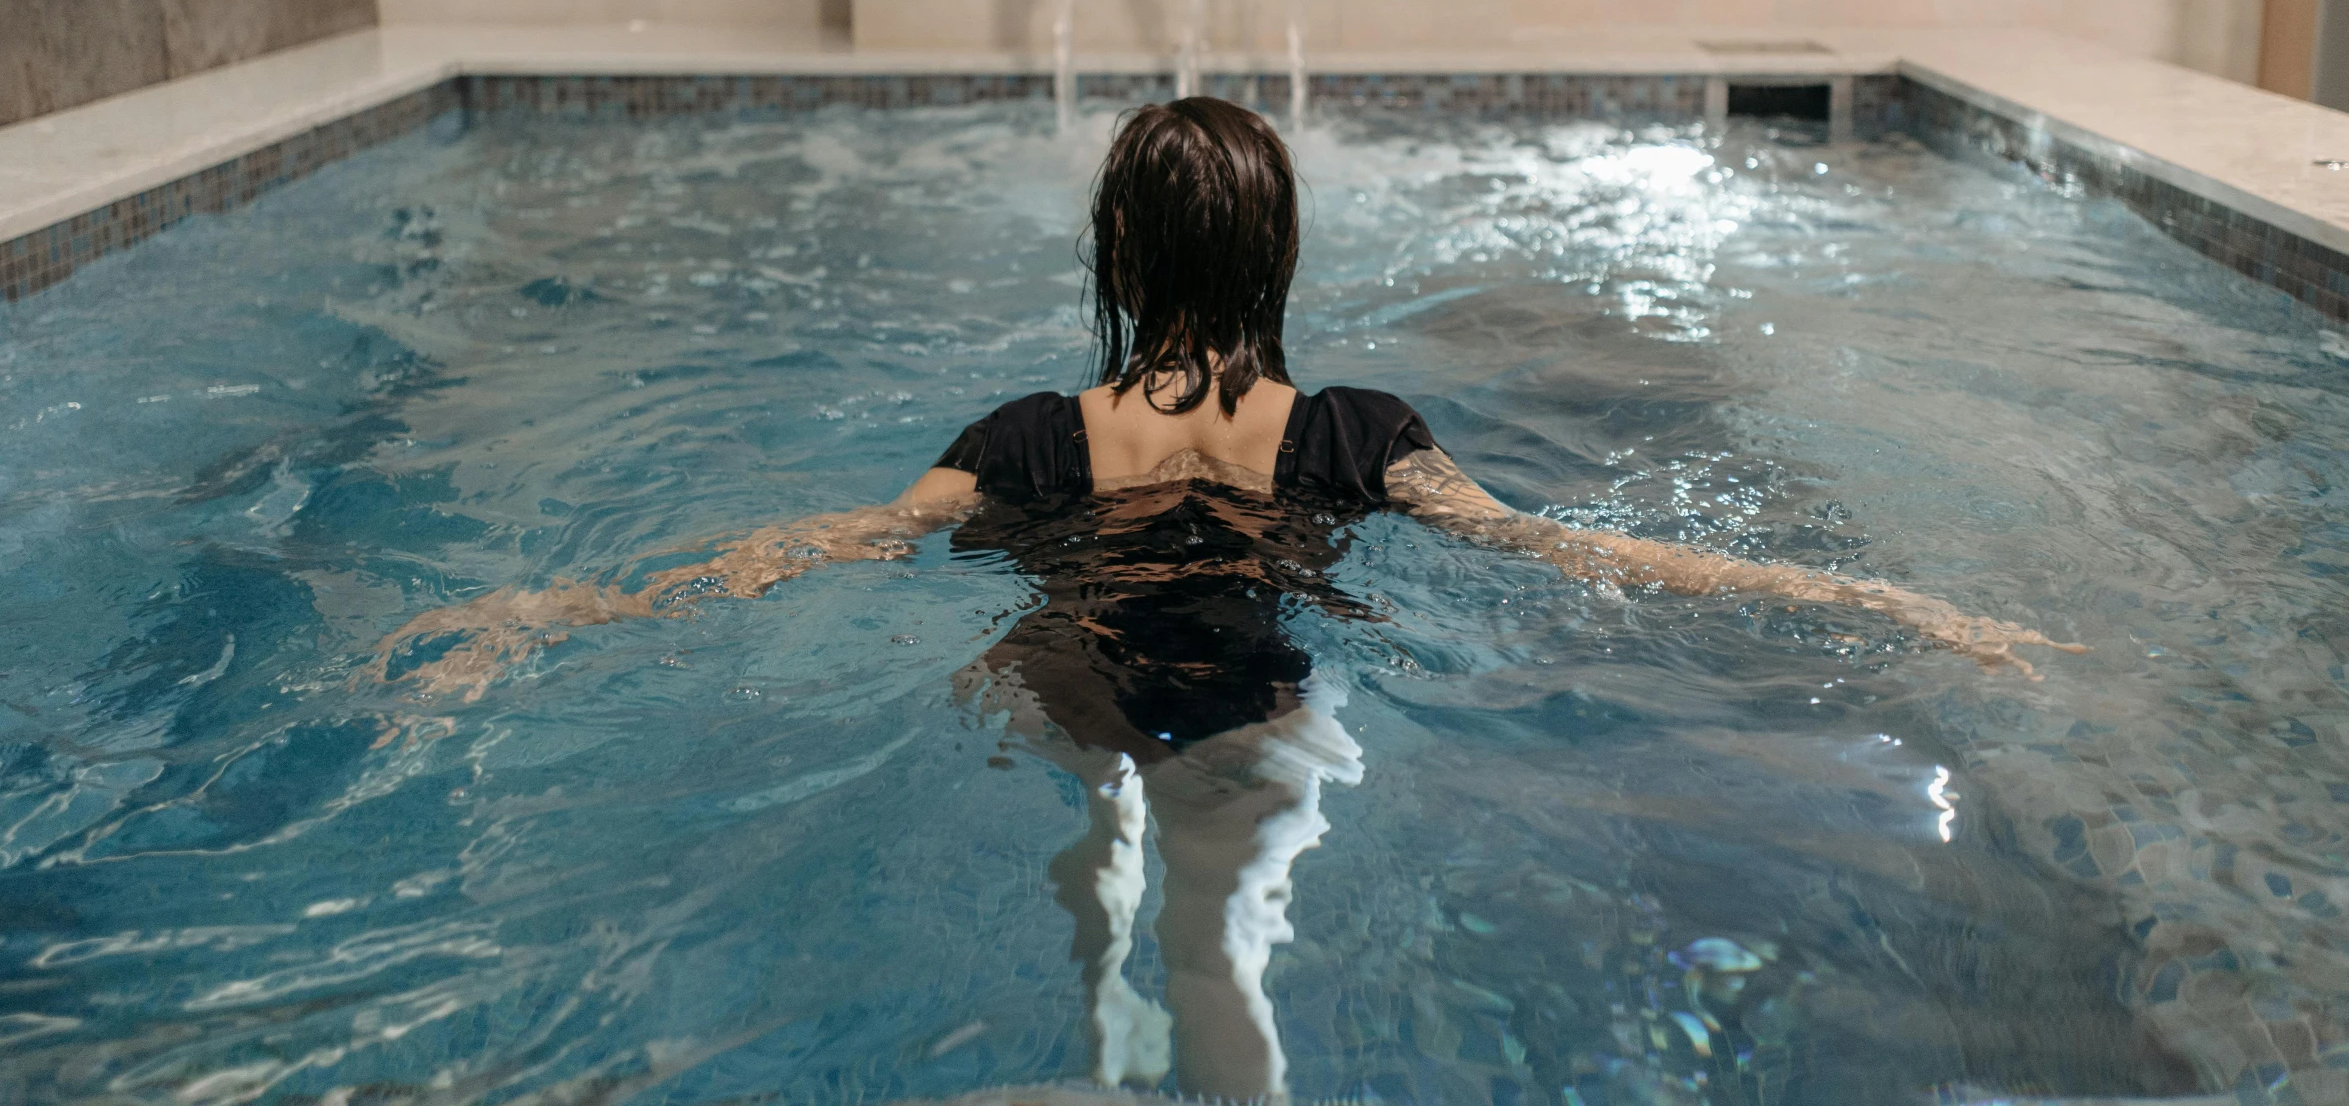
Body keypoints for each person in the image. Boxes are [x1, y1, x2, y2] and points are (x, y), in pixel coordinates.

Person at [374, 97, 2081, 1100]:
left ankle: (1082, 1032)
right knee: (1215, 949)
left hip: (1051, 676)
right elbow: (1590, 555)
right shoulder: (1351, 435)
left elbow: (814, 549)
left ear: (1117, 263)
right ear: (1278, 263)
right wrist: (1888, 609)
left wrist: (554, 617)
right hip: (1256, 705)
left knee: (1079, 879)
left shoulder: (1031, 440)